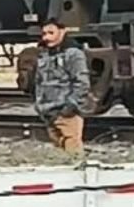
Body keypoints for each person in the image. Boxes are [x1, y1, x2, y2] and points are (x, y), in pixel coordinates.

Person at [32, 18, 92, 154]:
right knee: (60, 149)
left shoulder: (73, 54)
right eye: (44, 34)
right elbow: (39, 82)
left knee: (72, 150)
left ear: (62, 31)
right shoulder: (44, 55)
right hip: (48, 112)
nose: (46, 37)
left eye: (51, 33)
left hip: (66, 111)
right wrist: (39, 106)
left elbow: (82, 82)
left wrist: (70, 106)